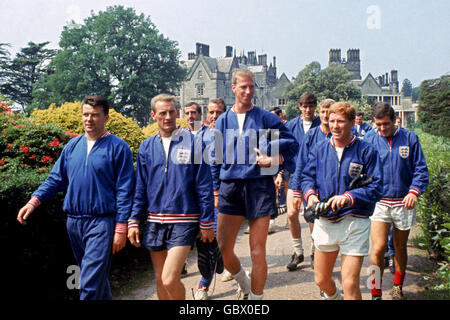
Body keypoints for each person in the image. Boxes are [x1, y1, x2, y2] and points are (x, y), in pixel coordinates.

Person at [17, 95, 135, 300]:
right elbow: (55, 179)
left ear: (106, 117)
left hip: (101, 222)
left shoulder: (118, 147)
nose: (89, 119)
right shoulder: (72, 146)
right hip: (74, 222)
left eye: (95, 115)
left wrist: (121, 227)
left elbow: (125, 190)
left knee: (88, 283)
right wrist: (33, 201)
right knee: (94, 279)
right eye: (86, 115)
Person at [211, 69, 299, 300]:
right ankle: (244, 282)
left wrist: (275, 158)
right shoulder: (222, 121)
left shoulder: (265, 117)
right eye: (243, 87)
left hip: (259, 188)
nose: (249, 91)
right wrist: (215, 189)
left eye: (252, 87)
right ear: (233, 88)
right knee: (223, 248)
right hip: (230, 188)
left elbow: (292, 143)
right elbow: (216, 157)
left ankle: (256, 301)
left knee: (257, 251)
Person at [127, 94, 215, 300]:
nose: (168, 117)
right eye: (162, 113)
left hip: (184, 219)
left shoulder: (194, 143)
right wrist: (133, 220)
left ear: (177, 113)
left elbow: (204, 185)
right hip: (154, 220)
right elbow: (140, 187)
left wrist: (207, 221)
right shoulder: (146, 147)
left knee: (169, 278)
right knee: (160, 279)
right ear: (153, 115)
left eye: (171, 112)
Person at [301, 102, 383, 300]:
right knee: (321, 280)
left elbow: (377, 186)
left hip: (354, 221)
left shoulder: (366, 150)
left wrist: (349, 197)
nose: (335, 126)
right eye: (331, 121)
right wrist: (310, 194)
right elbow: (306, 177)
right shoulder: (320, 149)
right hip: (326, 221)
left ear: (352, 122)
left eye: (341, 121)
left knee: (349, 282)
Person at [365, 102, 429, 300]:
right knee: (377, 248)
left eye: (385, 124)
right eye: (378, 125)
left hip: (403, 202)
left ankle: (397, 287)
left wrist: (414, 192)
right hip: (380, 202)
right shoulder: (369, 139)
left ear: (394, 121)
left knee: (400, 248)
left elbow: (420, 169)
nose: (382, 129)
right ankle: (375, 292)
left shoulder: (410, 138)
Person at [290, 98, 335, 268]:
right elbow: (301, 163)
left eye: (329, 112)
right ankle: (315, 251)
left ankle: (326, 253)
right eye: (323, 112)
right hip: (312, 185)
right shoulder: (312, 134)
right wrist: (296, 189)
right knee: (313, 219)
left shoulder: (340, 133)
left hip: (332, 186)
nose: (325, 115)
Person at [191, 98, 227, 300]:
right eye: (211, 113)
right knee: (212, 241)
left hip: (221, 196)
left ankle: (203, 286)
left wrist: (217, 193)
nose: (214, 117)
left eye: (219, 113)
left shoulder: (229, 138)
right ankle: (230, 266)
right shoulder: (199, 136)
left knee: (211, 238)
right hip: (201, 196)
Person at [284, 92, 321, 271]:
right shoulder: (291, 125)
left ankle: (315, 250)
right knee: (291, 213)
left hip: (314, 177)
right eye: (305, 106)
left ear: (315, 106)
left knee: (312, 215)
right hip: (294, 175)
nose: (308, 109)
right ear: (299, 106)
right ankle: (298, 251)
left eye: (311, 106)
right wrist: (279, 173)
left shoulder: (322, 124)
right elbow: (283, 151)